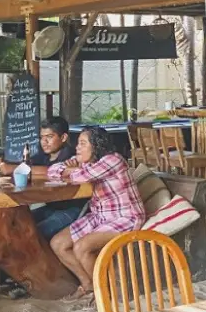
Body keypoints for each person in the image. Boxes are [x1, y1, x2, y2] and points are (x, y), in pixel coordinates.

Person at [47, 126, 145, 299]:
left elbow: (81, 177)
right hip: (100, 216)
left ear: (96, 146)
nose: (77, 148)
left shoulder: (113, 160)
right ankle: (88, 284)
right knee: (58, 243)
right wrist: (71, 169)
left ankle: (105, 293)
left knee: (82, 248)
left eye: (83, 144)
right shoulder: (88, 163)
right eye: (78, 144)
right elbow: (52, 171)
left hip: (125, 217)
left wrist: (71, 171)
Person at [0, 117, 85, 239]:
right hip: (51, 207)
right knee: (17, 224)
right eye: (41, 137)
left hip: (72, 209)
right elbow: (29, 165)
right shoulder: (43, 155)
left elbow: (50, 170)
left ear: (63, 137)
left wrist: (13, 168)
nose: (44, 142)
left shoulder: (72, 157)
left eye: (49, 137)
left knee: (34, 234)